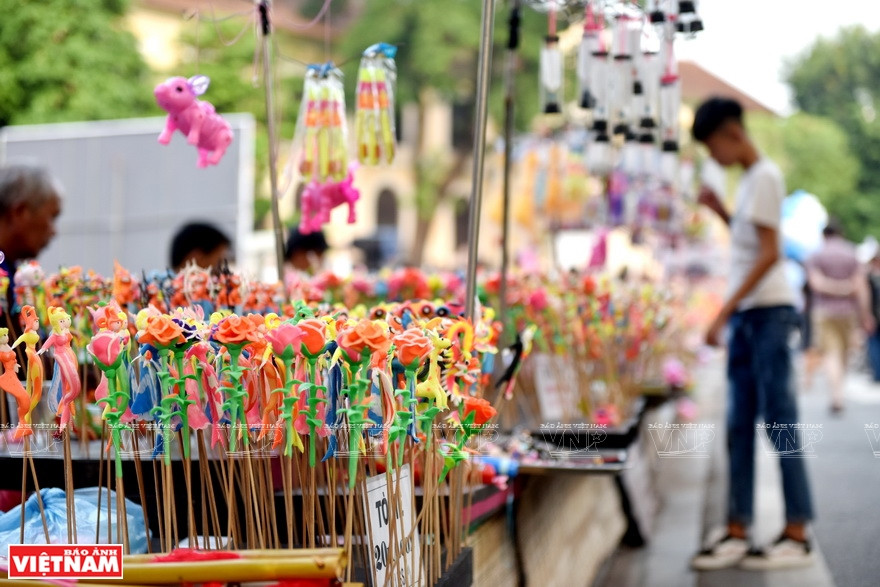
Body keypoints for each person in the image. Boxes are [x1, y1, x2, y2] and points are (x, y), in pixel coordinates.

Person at [688, 97, 814, 571]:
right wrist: (722, 210)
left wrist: (723, 311)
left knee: (779, 421)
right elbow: (748, 244)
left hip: (767, 313)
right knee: (739, 425)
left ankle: (797, 531)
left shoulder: (764, 177)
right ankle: (738, 527)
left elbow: (769, 254)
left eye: (712, 146)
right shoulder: (749, 184)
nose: (714, 157)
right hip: (751, 315)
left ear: (731, 133)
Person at [806, 221, 874, 411]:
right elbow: (861, 288)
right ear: (840, 233)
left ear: (824, 235)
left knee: (830, 353)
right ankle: (839, 392)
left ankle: (836, 394)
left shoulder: (816, 255)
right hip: (848, 312)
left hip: (824, 311)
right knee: (843, 353)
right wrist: (865, 314)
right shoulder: (851, 254)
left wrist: (833, 289)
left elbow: (816, 283)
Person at [867, 253, 880, 381]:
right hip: (874, 316)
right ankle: (877, 373)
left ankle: (877, 374)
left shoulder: (869, 277)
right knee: (874, 344)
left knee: (874, 345)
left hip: (874, 315)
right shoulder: (869, 277)